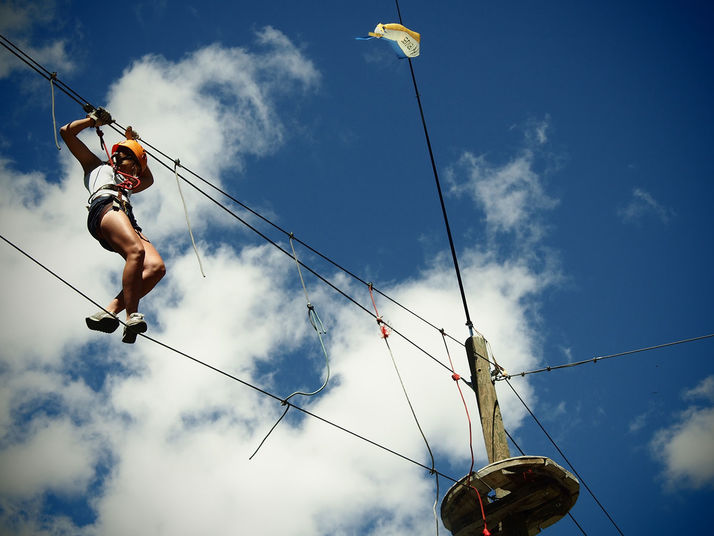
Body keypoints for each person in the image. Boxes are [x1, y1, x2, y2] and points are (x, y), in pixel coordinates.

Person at [60, 111, 166, 343]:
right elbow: (66, 133)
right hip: (106, 207)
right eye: (119, 157)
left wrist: (132, 143)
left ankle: (109, 311)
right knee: (135, 252)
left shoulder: (129, 183)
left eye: (132, 163)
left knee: (156, 268)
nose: (118, 159)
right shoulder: (96, 167)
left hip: (125, 216)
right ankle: (131, 316)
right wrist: (92, 121)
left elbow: (148, 179)